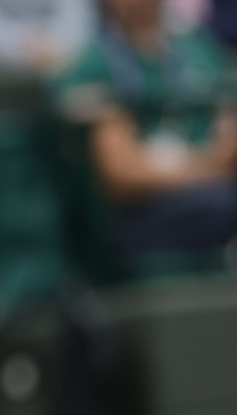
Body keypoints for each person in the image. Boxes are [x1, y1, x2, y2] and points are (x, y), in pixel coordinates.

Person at [53, 0, 237, 279]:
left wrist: (172, 168)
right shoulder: (92, 64)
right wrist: (202, 168)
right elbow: (123, 175)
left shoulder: (203, 51)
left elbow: (229, 152)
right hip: (137, 222)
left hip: (215, 204)